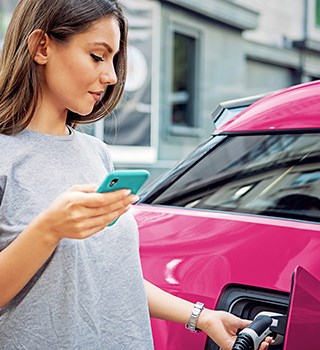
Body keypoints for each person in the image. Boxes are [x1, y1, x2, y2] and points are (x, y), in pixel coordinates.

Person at [0, 1, 272, 349]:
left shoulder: (95, 153)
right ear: (41, 47)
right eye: (98, 56)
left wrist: (202, 317)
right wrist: (49, 229)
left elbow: (112, 275)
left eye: (114, 59)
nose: (112, 76)